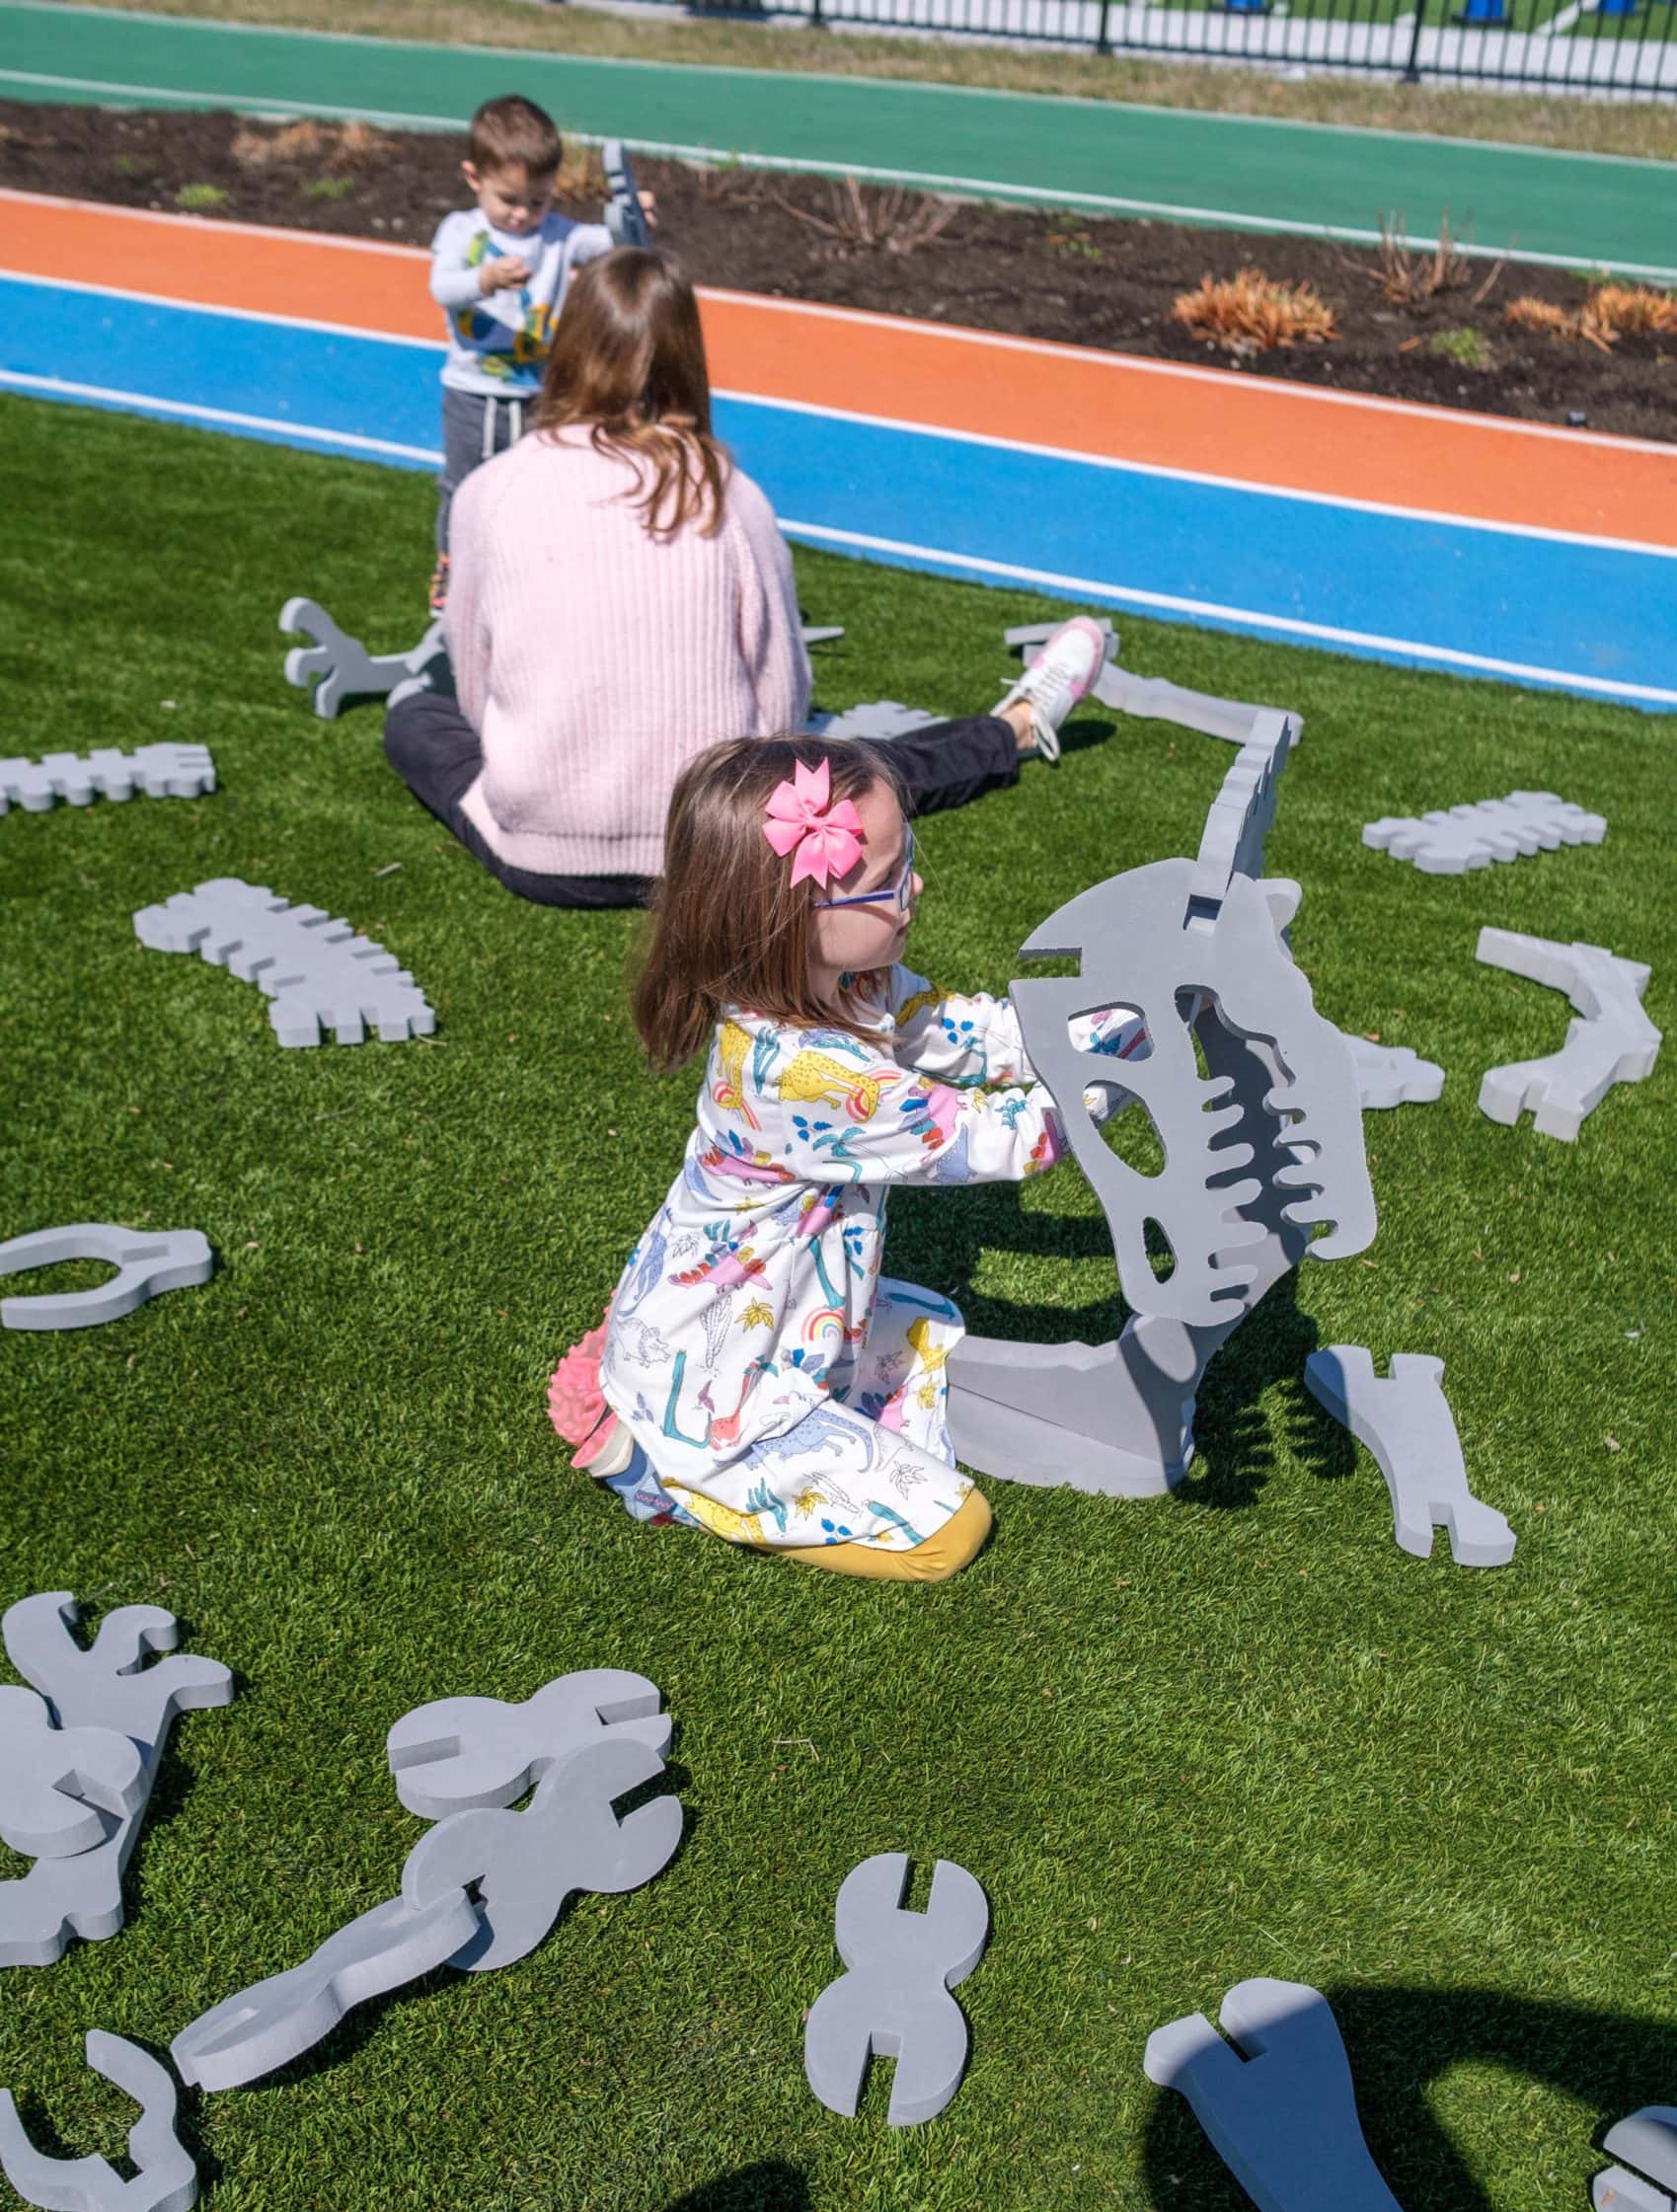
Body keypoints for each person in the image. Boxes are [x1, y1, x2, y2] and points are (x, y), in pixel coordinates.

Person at [545, 735, 1145, 1582]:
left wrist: (1124, 1015)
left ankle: (660, 1390)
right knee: (949, 1535)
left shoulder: (853, 988)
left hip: (780, 1315)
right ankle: (659, 1474)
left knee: (929, 1326)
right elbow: (1009, 1135)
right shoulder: (800, 1072)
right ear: (792, 917)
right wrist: (1132, 1055)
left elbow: (983, 1039)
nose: (915, 890)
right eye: (888, 882)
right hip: (727, 1376)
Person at [387, 246, 1109, 912]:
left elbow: (478, 689)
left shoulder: (493, 488)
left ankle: (1005, 730)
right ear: (685, 359)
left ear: (567, 348)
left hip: (539, 857)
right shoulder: (729, 495)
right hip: (719, 852)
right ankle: (1014, 728)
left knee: (416, 716)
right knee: (869, 767)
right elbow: (782, 705)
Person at [426, 94, 651, 608]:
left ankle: (528, 569)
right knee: (465, 487)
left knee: (538, 488)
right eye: (509, 200)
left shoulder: (557, 234)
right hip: (476, 392)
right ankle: (452, 564)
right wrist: (484, 278)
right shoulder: (462, 232)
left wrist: (631, 222)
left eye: (539, 201)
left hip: (541, 393)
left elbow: (610, 245)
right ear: (473, 177)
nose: (524, 214)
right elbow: (443, 289)